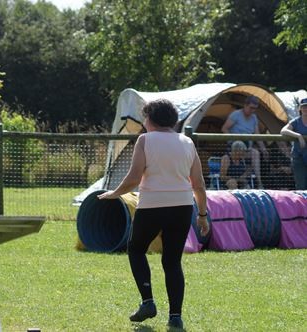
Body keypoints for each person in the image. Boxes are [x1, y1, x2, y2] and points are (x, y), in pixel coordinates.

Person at [97, 99, 209, 329]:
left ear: (150, 119)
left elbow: (134, 178)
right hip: (182, 207)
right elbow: (198, 184)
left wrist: (114, 193)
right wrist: (202, 214)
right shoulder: (187, 142)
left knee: (136, 249)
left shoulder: (145, 140)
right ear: (173, 119)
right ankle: (175, 317)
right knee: (172, 261)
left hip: (152, 206)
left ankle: (148, 302)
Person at [221, 95, 268, 188]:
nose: (252, 110)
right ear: (245, 105)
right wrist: (236, 139)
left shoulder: (254, 118)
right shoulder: (235, 115)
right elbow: (224, 129)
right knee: (248, 151)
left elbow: (257, 135)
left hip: (247, 149)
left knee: (256, 153)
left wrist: (264, 149)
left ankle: (259, 182)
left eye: (255, 108)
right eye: (251, 108)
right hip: (235, 147)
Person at [280, 97, 307, 190]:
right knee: (301, 186)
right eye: (303, 106)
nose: (305, 109)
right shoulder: (296, 121)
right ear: (300, 108)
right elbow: (283, 131)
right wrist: (298, 136)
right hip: (298, 157)